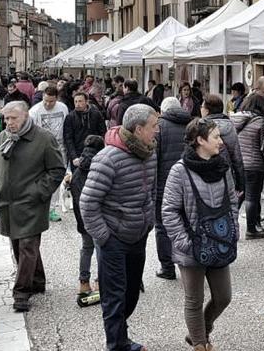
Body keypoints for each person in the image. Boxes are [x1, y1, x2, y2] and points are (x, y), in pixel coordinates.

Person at [81, 104, 159, 351]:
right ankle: (116, 344)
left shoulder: (150, 153)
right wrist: (105, 238)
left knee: (131, 294)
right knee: (114, 297)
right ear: (138, 129)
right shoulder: (107, 158)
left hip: (139, 235)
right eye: (154, 126)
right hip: (114, 239)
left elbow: (152, 190)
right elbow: (88, 203)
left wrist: (149, 221)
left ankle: (120, 337)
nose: (157, 131)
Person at [162, 118, 238, 351]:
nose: (221, 142)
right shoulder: (180, 171)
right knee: (193, 300)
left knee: (223, 296)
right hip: (191, 248)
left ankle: (201, 330)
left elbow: (232, 200)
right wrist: (185, 242)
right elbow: (169, 210)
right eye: (215, 137)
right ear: (200, 140)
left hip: (220, 242)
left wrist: (232, 229)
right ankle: (199, 343)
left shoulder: (222, 167)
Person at [0, 101, 66, 312]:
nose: (8, 122)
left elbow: (57, 170)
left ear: (25, 116)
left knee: (27, 246)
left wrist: (38, 192)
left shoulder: (43, 138)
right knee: (18, 245)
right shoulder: (3, 138)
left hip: (31, 204)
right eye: (6, 118)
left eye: (13, 118)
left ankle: (21, 292)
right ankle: (37, 280)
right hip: (7, 202)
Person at [154, 97, 194, 280]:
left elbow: (154, 158)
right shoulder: (192, 125)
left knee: (162, 226)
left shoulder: (159, 126)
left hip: (164, 185)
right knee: (187, 223)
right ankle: (188, 262)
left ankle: (167, 267)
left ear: (162, 110)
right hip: (190, 184)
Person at [68, 134, 105, 295]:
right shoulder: (101, 168)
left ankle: (84, 282)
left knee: (86, 248)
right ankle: (100, 281)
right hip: (99, 219)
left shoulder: (77, 173)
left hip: (83, 219)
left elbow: (77, 201)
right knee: (101, 249)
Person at [231, 94, 264, 238]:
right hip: (255, 164)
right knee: (252, 198)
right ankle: (251, 230)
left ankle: (231, 226)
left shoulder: (235, 119)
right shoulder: (261, 122)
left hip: (239, 163)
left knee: (240, 195)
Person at [29, 86, 70, 221]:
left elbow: (67, 128)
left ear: (56, 99)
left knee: (56, 179)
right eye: (45, 100)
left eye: (51, 101)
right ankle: (39, 207)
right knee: (40, 178)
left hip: (59, 149)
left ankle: (51, 209)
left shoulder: (63, 108)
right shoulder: (34, 111)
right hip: (41, 150)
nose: (47, 104)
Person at [200, 95, 245, 198]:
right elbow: (237, 157)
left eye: (202, 107)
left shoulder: (201, 126)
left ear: (207, 110)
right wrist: (240, 183)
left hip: (204, 174)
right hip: (227, 173)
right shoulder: (230, 126)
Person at [63, 92, 107, 169]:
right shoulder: (70, 117)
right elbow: (68, 139)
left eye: (80, 101)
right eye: (75, 101)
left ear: (86, 102)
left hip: (95, 152)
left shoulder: (96, 114)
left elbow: (103, 132)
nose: (77, 104)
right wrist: (73, 156)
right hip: (78, 154)